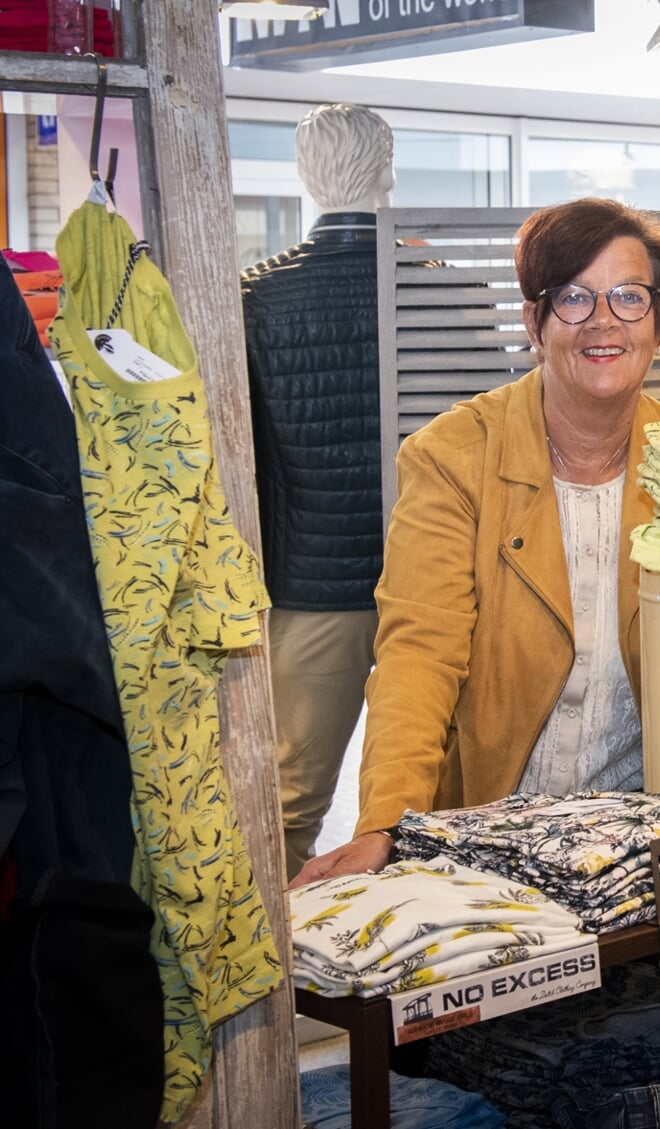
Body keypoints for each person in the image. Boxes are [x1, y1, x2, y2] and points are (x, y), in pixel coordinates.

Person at [291, 197, 660, 887]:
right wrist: (384, 822)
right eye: (573, 297)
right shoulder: (453, 456)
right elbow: (419, 650)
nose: (603, 320)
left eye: (628, 296)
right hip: (486, 842)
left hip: (645, 843)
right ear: (534, 321)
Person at [242, 103, 393, 874]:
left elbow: (243, 458)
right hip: (432, 580)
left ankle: (271, 982)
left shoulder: (257, 294)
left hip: (307, 584)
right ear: (389, 168)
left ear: (307, 176)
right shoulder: (441, 288)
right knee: (437, 799)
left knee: (287, 803)